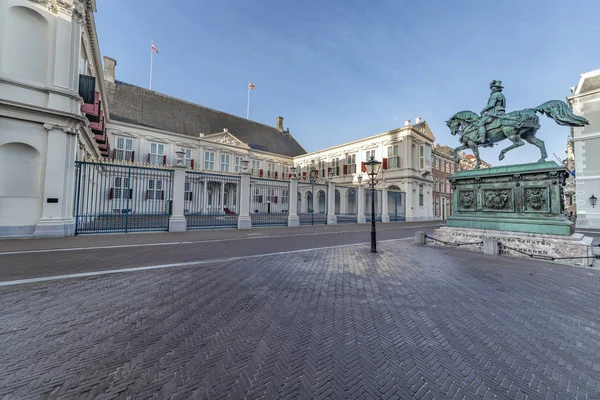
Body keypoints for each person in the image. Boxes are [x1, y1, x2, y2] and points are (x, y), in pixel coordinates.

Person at [476, 80, 506, 144]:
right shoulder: (501, 95)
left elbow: (491, 105)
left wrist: (484, 110)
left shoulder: (495, 94)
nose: (491, 88)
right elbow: (504, 105)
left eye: (492, 87)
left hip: (494, 112)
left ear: (495, 88)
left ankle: (482, 138)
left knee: (480, 123)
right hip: (501, 111)